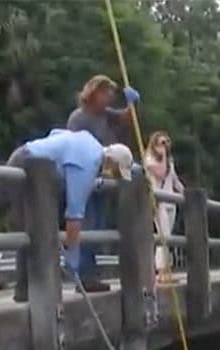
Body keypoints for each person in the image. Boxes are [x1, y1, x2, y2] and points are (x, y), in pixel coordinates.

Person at [0, 129, 134, 299]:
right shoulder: (87, 166)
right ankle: (24, 289)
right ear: (111, 161)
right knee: (31, 228)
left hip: (24, 153)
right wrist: (73, 255)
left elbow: (56, 134)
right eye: (117, 171)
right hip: (31, 168)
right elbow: (74, 216)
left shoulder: (90, 142)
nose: (114, 177)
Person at [65, 75, 140, 292]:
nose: (109, 98)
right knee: (87, 225)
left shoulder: (106, 116)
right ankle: (83, 276)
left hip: (103, 177)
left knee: (97, 225)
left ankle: (89, 274)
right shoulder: (79, 118)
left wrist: (132, 103)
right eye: (106, 92)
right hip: (84, 177)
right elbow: (75, 147)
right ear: (95, 92)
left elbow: (128, 118)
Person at [144, 131, 184, 274]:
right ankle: (161, 270)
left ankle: (166, 269)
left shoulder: (169, 161)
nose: (165, 145)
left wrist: (184, 193)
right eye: (161, 142)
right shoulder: (150, 159)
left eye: (166, 142)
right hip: (159, 201)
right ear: (154, 144)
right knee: (163, 235)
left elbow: (174, 180)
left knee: (169, 237)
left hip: (171, 201)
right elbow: (160, 173)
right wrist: (163, 156)